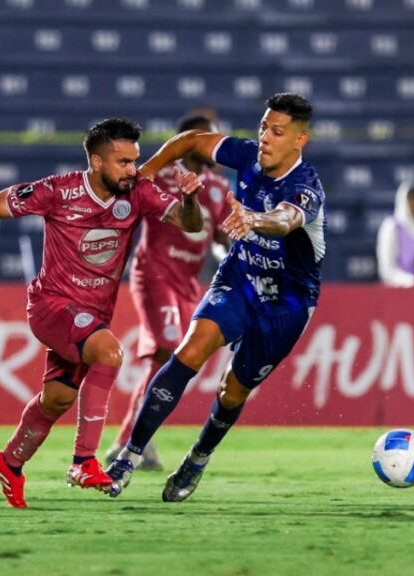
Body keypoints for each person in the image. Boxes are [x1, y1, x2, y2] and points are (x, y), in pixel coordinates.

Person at [0, 118, 204, 509]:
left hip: (92, 314)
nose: (133, 170)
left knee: (57, 399)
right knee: (109, 352)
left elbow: (190, 224)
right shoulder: (58, 191)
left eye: (135, 161)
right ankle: (83, 462)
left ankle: (10, 463)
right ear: (96, 161)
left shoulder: (139, 192)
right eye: (124, 162)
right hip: (52, 306)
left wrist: (190, 199)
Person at [106, 93, 326, 502]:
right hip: (239, 279)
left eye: (277, 132)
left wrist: (254, 219)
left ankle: (198, 458)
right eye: (264, 126)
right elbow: (192, 139)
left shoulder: (306, 187)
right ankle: (128, 456)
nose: (265, 137)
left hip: (286, 305)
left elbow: (286, 220)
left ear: (300, 140)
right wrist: (148, 171)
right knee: (188, 352)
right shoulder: (246, 155)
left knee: (231, 392)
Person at [104, 115, 232, 471]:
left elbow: (221, 234)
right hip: (155, 274)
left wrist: (231, 245)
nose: (214, 146)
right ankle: (129, 442)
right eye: (208, 138)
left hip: (188, 284)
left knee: (172, 357)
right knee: (168, 344)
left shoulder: (217, 184)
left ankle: (131, 440)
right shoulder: (160, 175)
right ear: (189, 142)